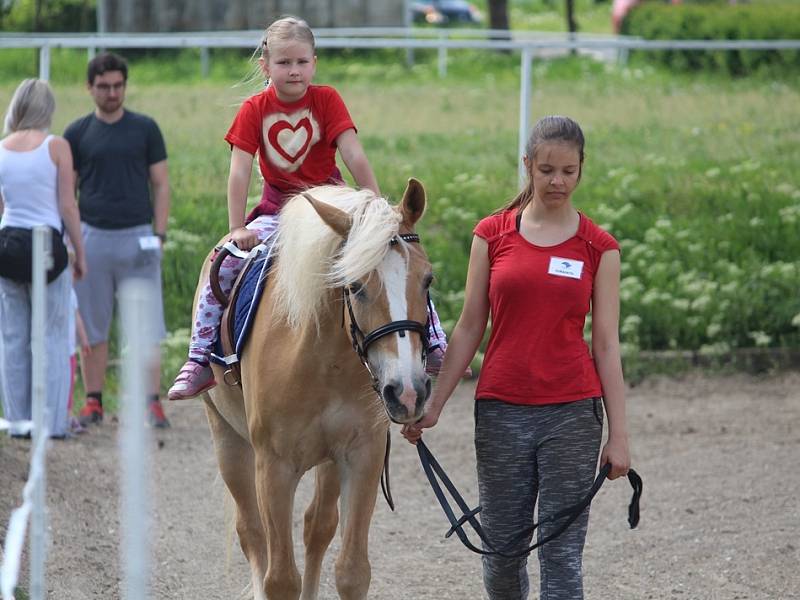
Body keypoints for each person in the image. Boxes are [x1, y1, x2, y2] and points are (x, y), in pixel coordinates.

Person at [401, 116, 631, 600]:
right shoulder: (492, 234)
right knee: (503, 554)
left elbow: (606, 345)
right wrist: (436, 404)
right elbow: (468, 327)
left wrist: (620, 437)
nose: (557, 181)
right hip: (502, 411)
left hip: (573, 414)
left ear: (581, 169)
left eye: (569, 171)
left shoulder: (599, 248)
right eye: (546, 169)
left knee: (562, 556)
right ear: (527, 165)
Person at [167, 16, 451, 400]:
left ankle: (432, 341)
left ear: (314, 63)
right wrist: (237, 227)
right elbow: (239, 172)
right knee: (225, 260)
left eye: (301, 62)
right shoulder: (254, 109)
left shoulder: (327, 99)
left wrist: (378, 210)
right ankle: (200, 357)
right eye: (284, 63)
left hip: (333, 205)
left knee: (398, 257)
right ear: (265, 66)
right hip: (277, 211)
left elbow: (353, 153)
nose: (294, 70)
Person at [64, 52, 171, 428]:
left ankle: (151, 402)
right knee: (92, 325)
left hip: (139, 235)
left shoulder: (145, 129)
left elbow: (160, 184)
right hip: (92, 237)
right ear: (90, 88)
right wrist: (72, 242)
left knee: (146, 324)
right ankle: (93, 400)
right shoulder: (76, 133)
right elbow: (68, 191)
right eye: (104, 86)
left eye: (118, 85)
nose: (112, 93)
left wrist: (159, 235)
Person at [0, 78, 87, 439]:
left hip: (8, 245)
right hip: (47, 247)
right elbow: (67, 205)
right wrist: (80, 252)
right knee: (51, 336)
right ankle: (51, 424)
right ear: (46, 109)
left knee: (12, 337)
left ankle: (17, 420)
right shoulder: (56, 147)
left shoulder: (1, 148)